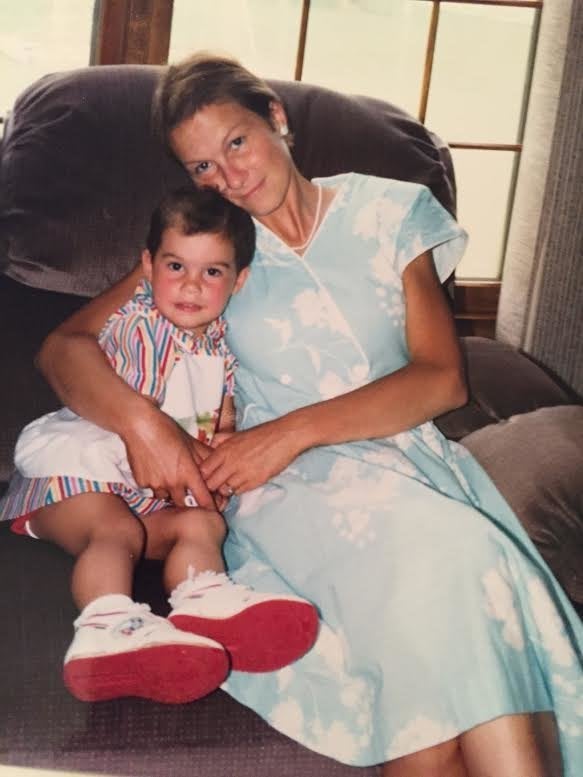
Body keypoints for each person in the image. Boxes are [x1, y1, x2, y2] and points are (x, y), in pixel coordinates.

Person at [32, 53, 582, 776]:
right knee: (458, 563)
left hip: (398, 462)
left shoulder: (389, 211)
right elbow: (63, 349)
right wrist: (146, 425)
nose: (226, 177)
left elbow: (442, 379)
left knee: (439, 688)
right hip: (283, 494)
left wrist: (288, 430)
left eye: (235, 142)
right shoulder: (209, 250)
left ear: (276, 119)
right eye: (200, 167)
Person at [0, 187, 318, 705]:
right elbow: (68, 349)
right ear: (147, 266)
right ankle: (105, 626)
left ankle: (202, 596)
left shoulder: (224, 345)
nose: (191, 286)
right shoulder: (133, 314)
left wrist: (224, 441)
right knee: (115, 527)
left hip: (149, 497)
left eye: (212, 272)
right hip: (74, 482)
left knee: (202, 523)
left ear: (239, 281)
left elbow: (222, 416)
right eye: (175, 266)